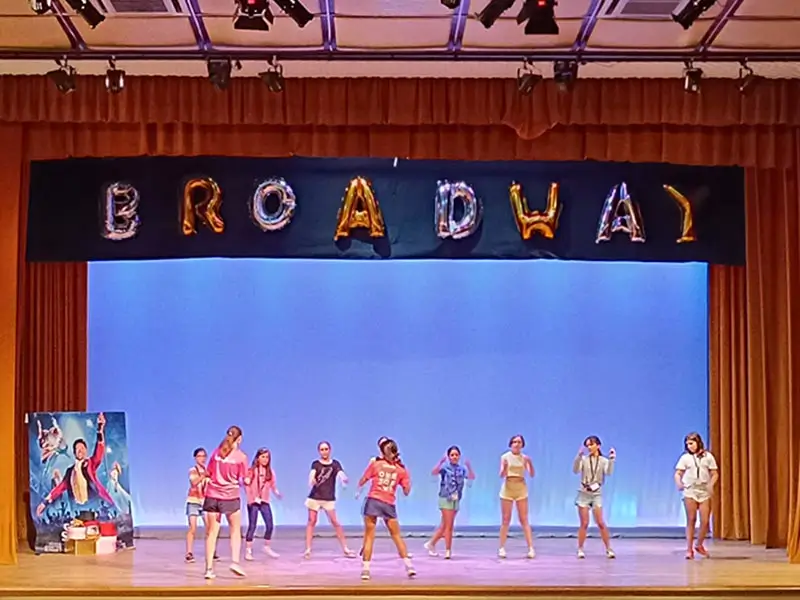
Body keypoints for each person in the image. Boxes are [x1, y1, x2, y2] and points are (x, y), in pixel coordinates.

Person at [356, 438, 415, 580]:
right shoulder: (401, 470)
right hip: (388, 503)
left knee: (369, 536)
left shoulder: (376, 464)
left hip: (373, 501)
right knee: (396, 536)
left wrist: (359, 489)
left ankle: (365, 570)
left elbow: (363, 480)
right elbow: (407, 491)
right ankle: (409, 566)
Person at [36, 412, 115, 516]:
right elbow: (59, 489)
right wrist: (44, 503)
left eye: (82, 448)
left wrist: (100, 429)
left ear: (86, 451)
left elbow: (99, 451)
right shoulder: (70, 472)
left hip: (95, 507)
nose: (80, 451)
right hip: (78, 510)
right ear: (74, 453)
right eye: (77, 449)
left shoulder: (90, 463)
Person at [203, 425, 248, 579]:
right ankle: (235, 562)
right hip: (230, 497)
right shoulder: (241, 457)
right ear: (239, 439)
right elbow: (244, 479)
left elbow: (208, 472)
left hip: (212, 496)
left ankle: (209, 569)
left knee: (211, 533)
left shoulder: (217, 453)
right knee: (235, 530)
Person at [304, 441, 357, 559]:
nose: (324, 451)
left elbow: (340, 473)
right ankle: (308, 549)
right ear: (319, 451)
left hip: (328, 498)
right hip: (315, 497)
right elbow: (312, 473)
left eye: (326, 449)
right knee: (311, 521)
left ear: (330, 450)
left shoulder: (335, 464)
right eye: (322, 449)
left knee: (335, 523)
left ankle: (345, 549)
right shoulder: (316, 464)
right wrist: (311, 479)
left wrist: (344, 478)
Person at [424, 446, 475, 559]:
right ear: (448, 457)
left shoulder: (461, 469)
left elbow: (471, 477)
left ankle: (431, 544)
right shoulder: (445, 468)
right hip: (445, 498)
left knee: (444, 526)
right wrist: (440, 462)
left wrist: (469, 467)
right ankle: (448, 550)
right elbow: (434, 472)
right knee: (449, 526)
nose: (454, 457)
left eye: (456, 455)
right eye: (452, 455)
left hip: (456, 499)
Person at [675, 432, 718, 559]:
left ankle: (699, 544)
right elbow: (678, 473)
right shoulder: (685, 458)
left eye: (692, 443)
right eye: (687, 444)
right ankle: (689, 549)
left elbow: (714, 473)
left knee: (704, 521)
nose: (690, 446)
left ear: (698, 443)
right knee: (691, 519)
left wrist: (711, 484)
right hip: (690, 491)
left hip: (704, 491)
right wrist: (679, 483)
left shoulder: (708, 457)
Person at [573, 436, 616, 559]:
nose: (589, 447)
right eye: (587, 445)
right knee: (584, 523)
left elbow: (608, 472)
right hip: (584, 493)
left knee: (601, 522)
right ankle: (580, 549)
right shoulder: (584, 459)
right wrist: (578, 457)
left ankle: (608, 548)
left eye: (591, 445)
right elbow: (575, 470)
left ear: (598, 445)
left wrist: (612, 459)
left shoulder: (603, 460)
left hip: (596, 493)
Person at [498, 434, 535, 559]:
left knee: (524, 519)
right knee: (505, 519)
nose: (517, 444)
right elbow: (501, 474)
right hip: (508, 487)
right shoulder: (505, 457)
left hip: (521, 488)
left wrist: (530, 463)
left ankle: (531, 548)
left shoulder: (524, 458)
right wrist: (505, 468)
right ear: (511, 444)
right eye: (514, 442)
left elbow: (531, 474)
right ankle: (502, 547)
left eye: (519, 442)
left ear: (522, 444)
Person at [244, 448, 281, 561]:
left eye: (267, 457)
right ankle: (248, 550)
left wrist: (277, 493)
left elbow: (273, 486)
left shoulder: (270, 472)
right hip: (253, 501)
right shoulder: (252, 470)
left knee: (270, 525)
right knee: (252, 525)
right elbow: (246, 484)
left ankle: (267, 546)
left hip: (264, 501)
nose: (265, 459)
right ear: (258, 458)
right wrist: (251, 497)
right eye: (263, 457)